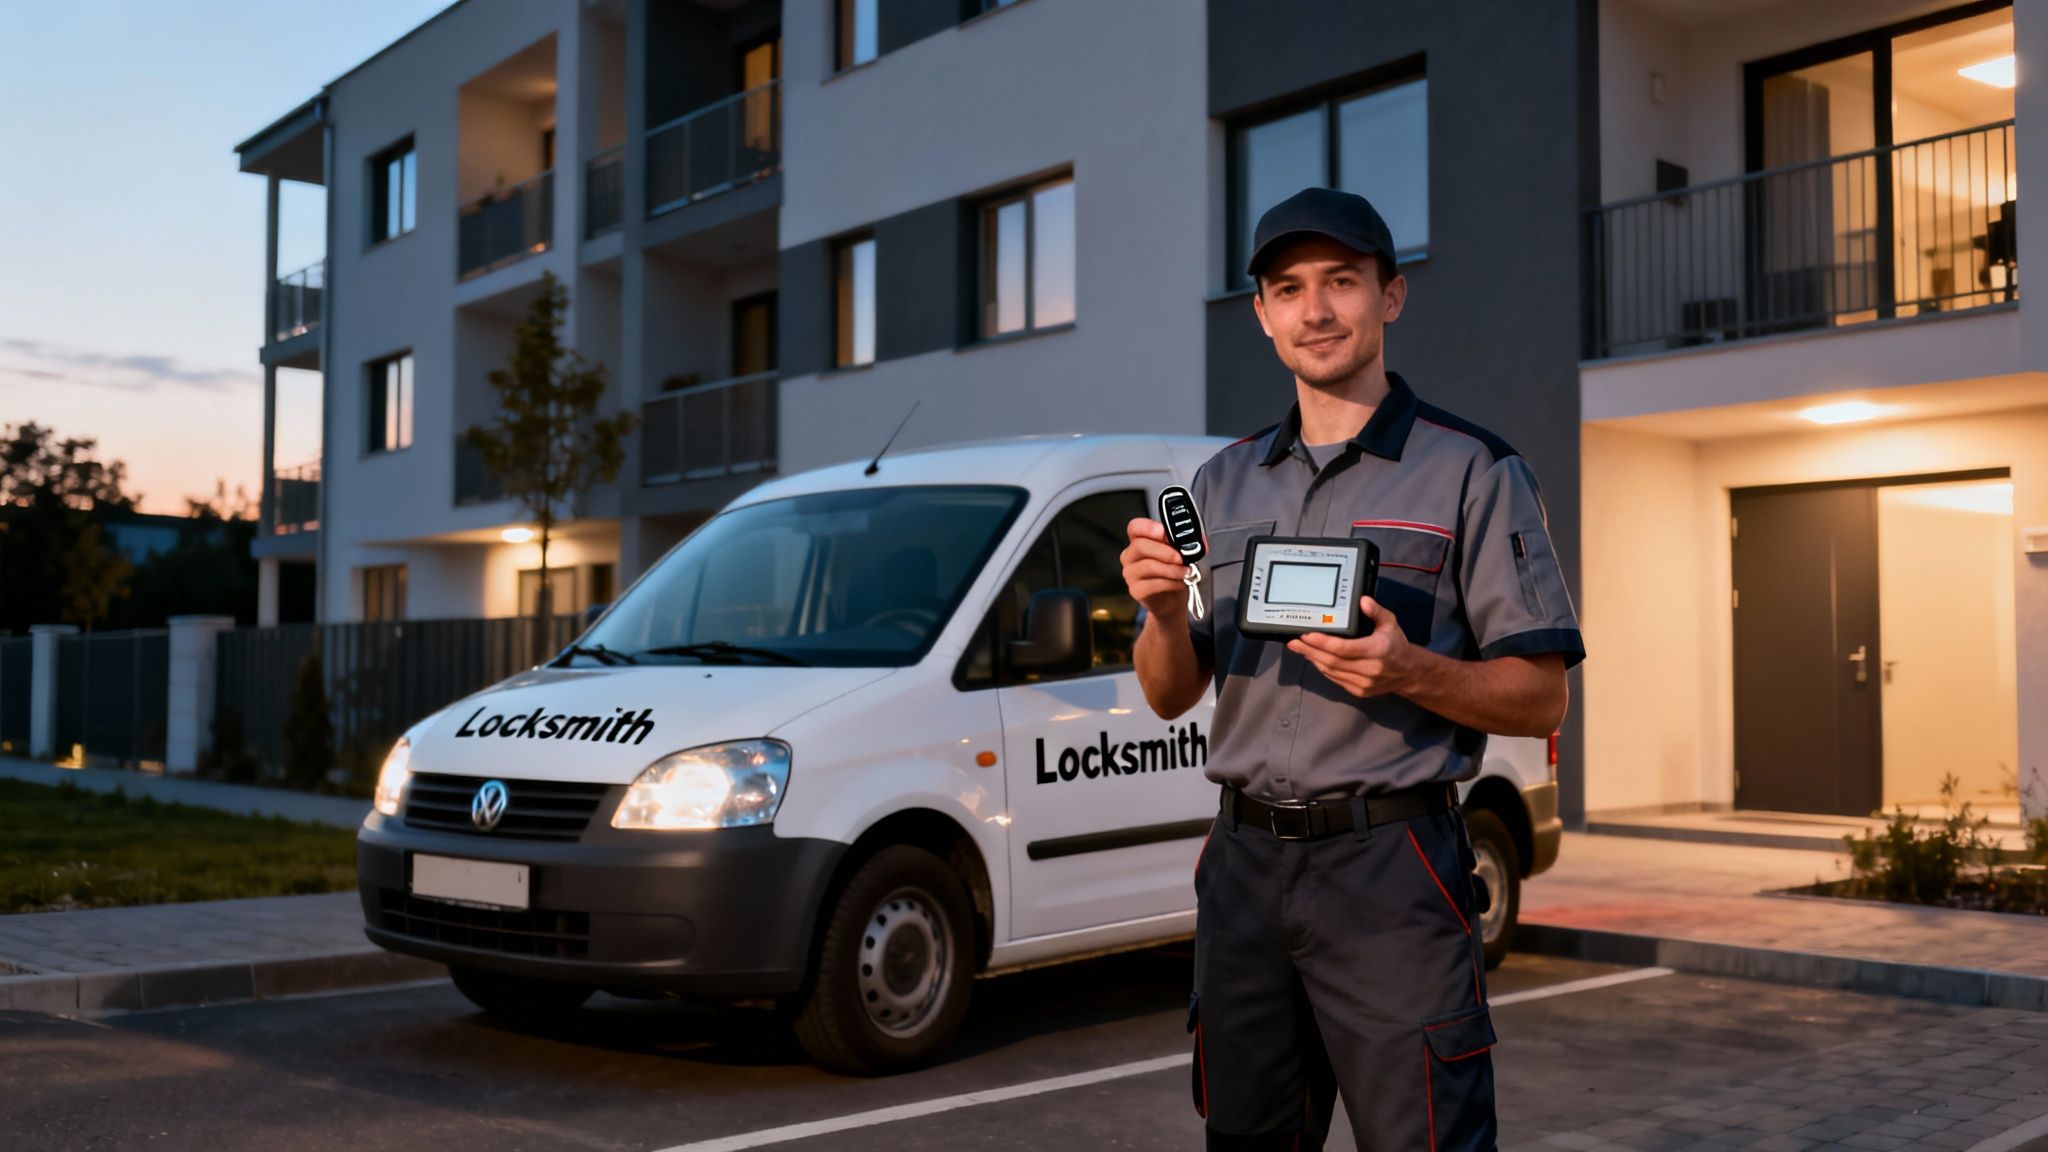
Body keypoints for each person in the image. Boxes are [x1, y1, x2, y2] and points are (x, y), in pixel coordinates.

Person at [1121, 187, 1585, 1151]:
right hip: (1243, 872)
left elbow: (1543, 693)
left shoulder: (1474, 472)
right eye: (1288, 289)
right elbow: (1171, 690)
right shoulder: (1221, 482)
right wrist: (1166, 611)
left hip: (1393, 874)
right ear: (1261, 314)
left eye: (1342, 282)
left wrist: (1410, 671)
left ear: (1391, 296)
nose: (1316, 309)